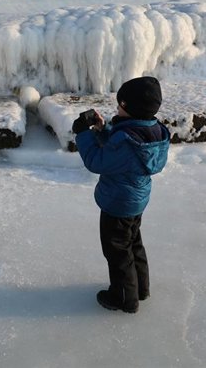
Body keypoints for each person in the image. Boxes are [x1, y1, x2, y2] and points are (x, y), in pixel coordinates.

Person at [72, 76, 170, 314]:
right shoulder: (149, 131)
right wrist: (102, 129)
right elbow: (119, 145)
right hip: (135, 201)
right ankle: (140, 289)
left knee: (117, 252)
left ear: (128, 108)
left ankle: (124, 298)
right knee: (133, 244)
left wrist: (83, 134)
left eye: (119, 106)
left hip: (117, 204)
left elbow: (97, 161)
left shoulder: (127, 142)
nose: (116, 109)